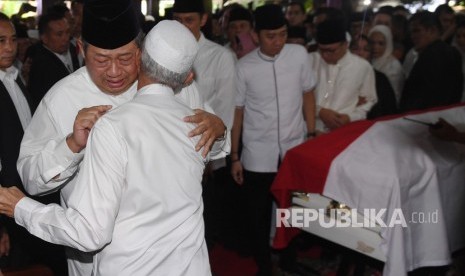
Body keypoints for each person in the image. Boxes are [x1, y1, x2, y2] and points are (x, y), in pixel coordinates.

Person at [17, 0, 227, 275]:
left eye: (126, 59)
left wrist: (219, 130)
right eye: (101, 60)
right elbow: (31, 180)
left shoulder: (174, 86)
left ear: (142, 52)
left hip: (175, 254)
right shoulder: (61, 98)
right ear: (81, 49)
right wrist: (71, 146)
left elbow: (213, 147)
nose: (114, 72)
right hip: (92, 258)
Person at [230, 5, 316, 275]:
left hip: (293, 149)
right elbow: (238, 112)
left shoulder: (299, 55)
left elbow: (308, 94)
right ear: (255, 36)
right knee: (258, 217)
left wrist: (311, 133)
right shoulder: (245, 67)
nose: (278, 41)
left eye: (282, 34)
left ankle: (289, 262)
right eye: (271, 36)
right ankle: (265, 267)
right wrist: (234, 156)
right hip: (258, 154)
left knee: (292, 211)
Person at [0, 12, 67, 274]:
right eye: (1, 40)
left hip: (32, 194)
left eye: (13, 39)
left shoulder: (14, 77)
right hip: (8, 202)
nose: (9, 47)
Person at [172, 0, 237, 250]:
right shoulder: (163, 53)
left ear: (203, 20)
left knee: (201, 224)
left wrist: (210, 155)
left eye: (189, 20)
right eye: (177, 20)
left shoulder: (220, 56)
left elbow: (225, 109)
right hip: (172, 150)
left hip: (206, 152)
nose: (183, 26)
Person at [310, 19, 376, 132]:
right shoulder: (310, 61)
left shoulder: (362, 67)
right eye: (322, 50)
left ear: (345, 45)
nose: (325, 55)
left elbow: (369, 101)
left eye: (331, 51)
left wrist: (350, 117)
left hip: (345, 131)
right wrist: (319, 112)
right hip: (310, 128)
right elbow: (295, 96)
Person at [399, 11, 463, 112]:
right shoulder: (452, 52)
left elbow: (421, 95)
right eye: (411, 32)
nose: (412, 36)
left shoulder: (431, 56)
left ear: (432, 30)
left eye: (417, 31)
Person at [28, 12, 80, 106]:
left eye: (67, 32)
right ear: (44, 38)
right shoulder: (42, 65)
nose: (66, 38)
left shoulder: (71, 50)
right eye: (59, 34)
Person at [350, 35, 398, 119]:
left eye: (365, 50)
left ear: (371, 55)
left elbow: (388, 110)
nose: (360, 53)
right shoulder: (340, 75)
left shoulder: (381, 79)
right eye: (355, 49)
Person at [368, 24, 404, 104]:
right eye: (372, 42)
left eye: (381, 43)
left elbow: (394, 95)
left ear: (388, 44)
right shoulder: (368, 61)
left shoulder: (393, 66)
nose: (375, 47)